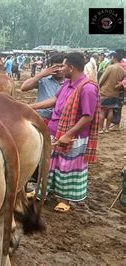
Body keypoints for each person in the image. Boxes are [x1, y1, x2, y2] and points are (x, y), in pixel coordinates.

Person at [30, 52, 100, 212]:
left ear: (71, 67)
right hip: (56, 129)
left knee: (68, 167)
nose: (61, 69)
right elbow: (55, 100)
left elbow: (87, 117)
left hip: (73, 135)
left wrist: (69, 134)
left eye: (63, 66)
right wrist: (32, 107)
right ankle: (43, 191)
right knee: (50, 163)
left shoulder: (87, 88)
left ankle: (66, 200)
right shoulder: (67, 85)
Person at [21, 53, 65, 125]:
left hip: (60, 119)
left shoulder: (69, 83)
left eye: (62, 66)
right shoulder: (44, 80)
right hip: (42, 117)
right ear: (50, 67)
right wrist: (42, 74)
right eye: (56, 67)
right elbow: (24, 87)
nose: (59, 69)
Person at [98, 52, 125, 133]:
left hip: (105, 92)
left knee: (102, 111)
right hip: (115, 93)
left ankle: (100, 128)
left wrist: (99, 85)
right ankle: (107, 128)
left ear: (115, 59)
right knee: (110, 110)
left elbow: (102, 79)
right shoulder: (122, 70)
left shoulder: (110, 67)